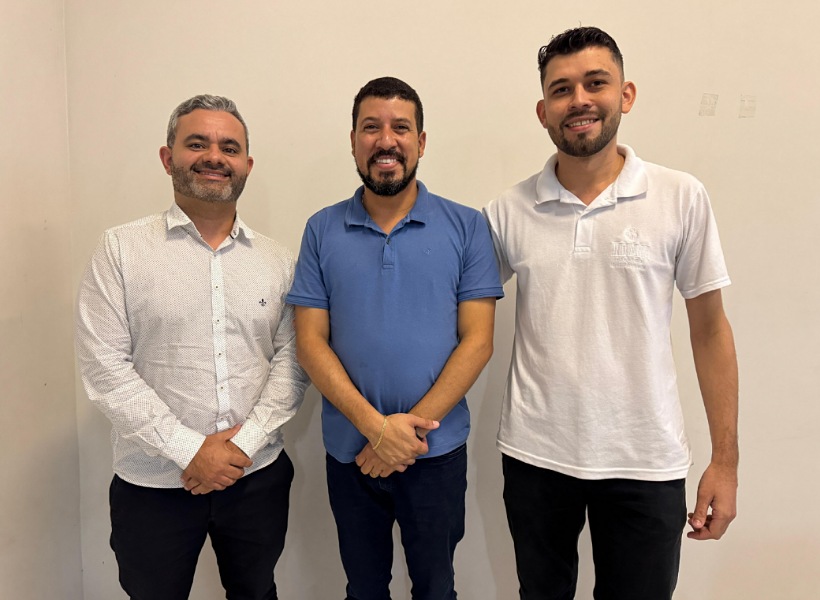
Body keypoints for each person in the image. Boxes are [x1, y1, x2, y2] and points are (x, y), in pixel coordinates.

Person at [483, 27, 739, 599]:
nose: (579, 100)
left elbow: (711, 331)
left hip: (645, 459)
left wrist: (725, 462)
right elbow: (454, 311)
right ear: (543, 111)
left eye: (595, 83)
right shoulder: (506, 212)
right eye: (561, 89)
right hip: (536, 455)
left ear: (626, 95)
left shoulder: (680, 197)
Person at [76, 94, 309, 600]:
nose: (214, 157)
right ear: (168, 157)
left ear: (247, 165)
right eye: (197, 144)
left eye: (230, 147)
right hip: (152, 484)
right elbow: (105, 368)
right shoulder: (120, 250)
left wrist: (240, 447)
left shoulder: (278, 260)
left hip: (255, 476)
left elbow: (294, 361)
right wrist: (190, 451)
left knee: (257, 591)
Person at [287, 76, 503, 599]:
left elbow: (478, 341)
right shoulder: (321, 229)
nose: (386, 141)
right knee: (364, 588)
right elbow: (310, 343)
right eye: (371, 128)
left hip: (436, 453)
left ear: (421, 142)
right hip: (351, 453)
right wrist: (376, 430)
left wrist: (404, 437)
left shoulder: (467, 226)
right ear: (354, 141)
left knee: (436, 588)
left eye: (401, 128)